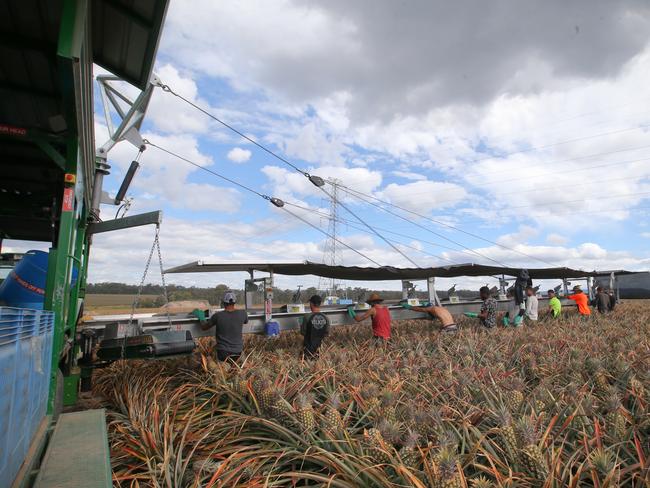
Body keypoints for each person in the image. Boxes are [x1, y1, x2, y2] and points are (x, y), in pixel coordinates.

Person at [195, 291, 248, 362]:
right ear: (234, 302)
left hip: (223, 353)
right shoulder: (243, 313)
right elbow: (245, 321)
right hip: (237, 352)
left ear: (223, 303)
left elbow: (204, 327)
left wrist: (201, 317)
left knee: (209, 355)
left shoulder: (217, 316)